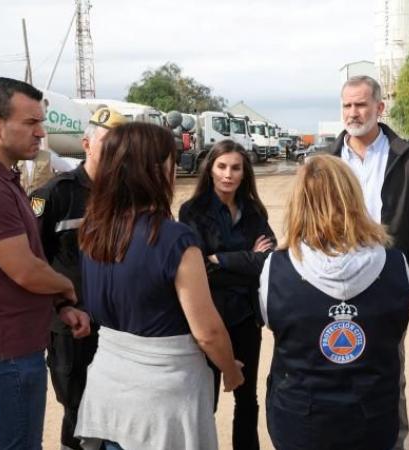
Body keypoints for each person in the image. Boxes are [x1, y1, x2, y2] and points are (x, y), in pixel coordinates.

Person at [0, 77, 90, 450]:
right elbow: (25, 269)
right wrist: (67, 288)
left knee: (4, 440)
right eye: (30, 123)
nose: (41, 132)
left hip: (12, 342)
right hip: (5, 348)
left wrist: (59, 305)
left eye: (41, 122)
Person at [75, 122, 244, 450]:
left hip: (108, 390)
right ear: (154, 170)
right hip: (160, 403)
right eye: (171, 161)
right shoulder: (174, 239)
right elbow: (207, 331)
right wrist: (230, 370)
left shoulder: (93, 230)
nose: (176, 168)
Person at [259, 154, 409, 450]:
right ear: (354, 197)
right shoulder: (396, 264)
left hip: (301, 421)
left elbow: (272, 321)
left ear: (298, 202)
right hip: (373, 420)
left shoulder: (276, 268)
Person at [327, 75, 409, 449]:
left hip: (387, 288)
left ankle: (392, 442)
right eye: (347, 105)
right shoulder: (327, 160)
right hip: (332, 286)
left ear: (379, 107)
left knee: (388, 372)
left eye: (360, 104)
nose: (353, 113)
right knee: (334, 368)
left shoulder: (404, 157)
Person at [31, 107, 127, 450]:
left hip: (119, 325)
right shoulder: (55, 194)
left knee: (118, 411)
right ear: (86, 143)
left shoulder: (128, 196)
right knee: (78, 411)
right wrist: (57, 310)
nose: (115, 152)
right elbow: (32, 260)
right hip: (73, 325)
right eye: (106, 143)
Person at [179, 139, 275, 450]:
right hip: (209, 317)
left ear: (245, 172)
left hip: (247, 317)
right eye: (222, 167)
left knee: (247, 399)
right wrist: (246, 257)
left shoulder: (254, 210)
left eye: (235, 168)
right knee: (205, 401)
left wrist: (221, 258)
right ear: (210, 170)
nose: (228, 174)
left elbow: (268, 261)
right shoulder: (192, 211)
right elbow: (198, 269)